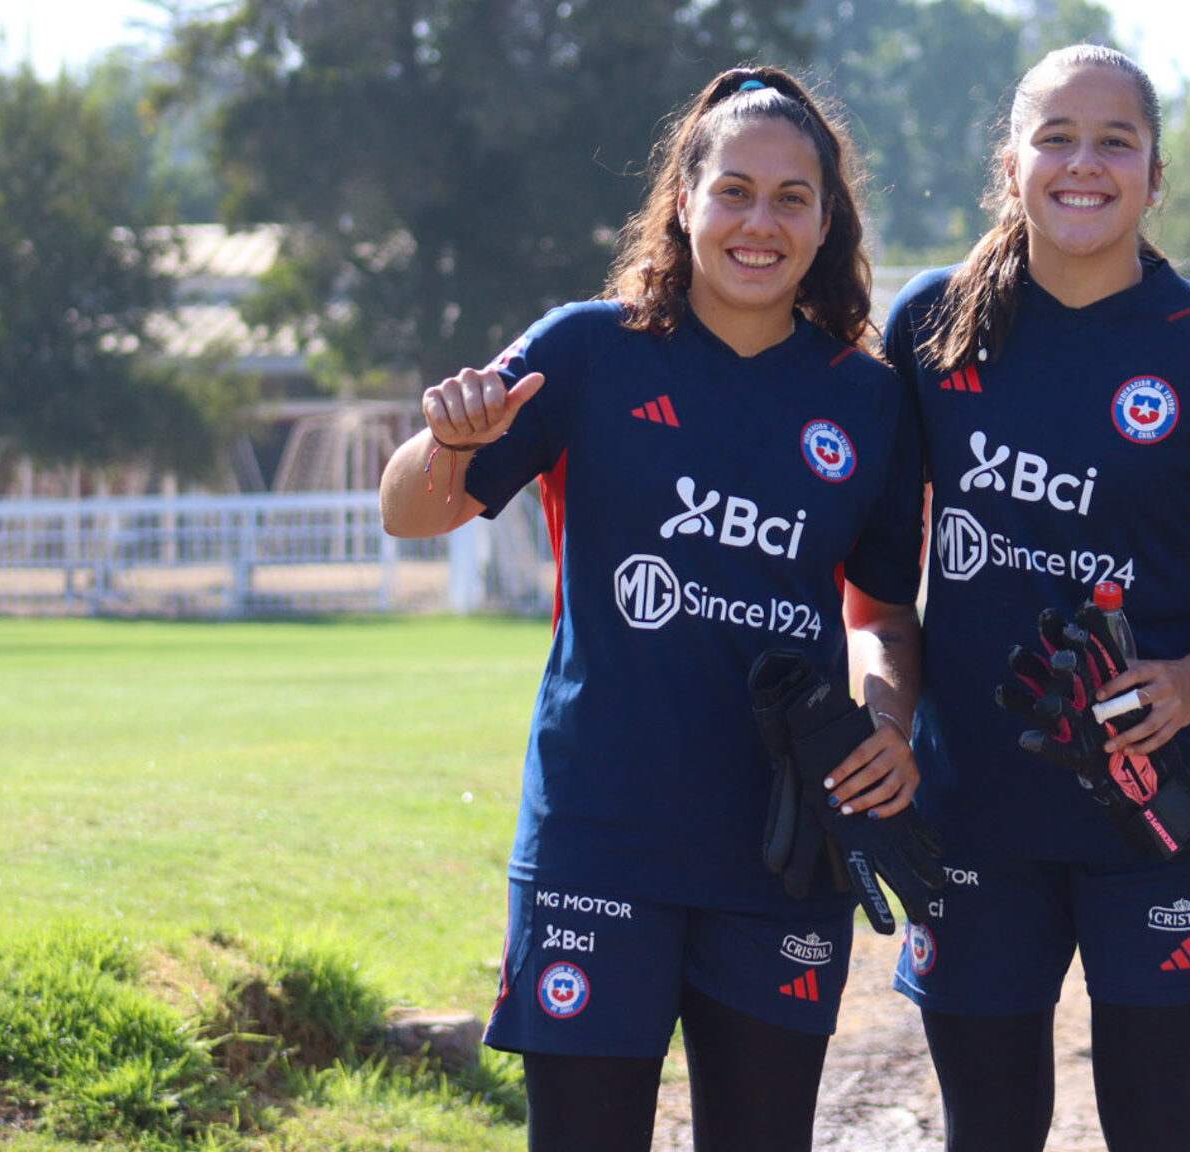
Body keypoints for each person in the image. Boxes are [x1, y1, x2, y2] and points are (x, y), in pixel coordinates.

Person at [377, 66, 925, 1152]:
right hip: (599, 836)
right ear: (684, 198)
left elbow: (883, 615)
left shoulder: (863, 398)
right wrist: (448, 440)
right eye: (734, 190)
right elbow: (409, 514)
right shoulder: (588, 348)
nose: (758, 222)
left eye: (790, 198)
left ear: (826, 222)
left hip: (778, 850)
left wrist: (893, 727)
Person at [881, 43, 1190, 1152]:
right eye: (1055, 137)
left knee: (1160, 1133)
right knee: (987, 1132)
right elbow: (866, 566)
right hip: (971, 806)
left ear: (1155, 175)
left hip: (1151, 811)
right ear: (1010, 161)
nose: (1084, 163)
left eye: (1114, 141)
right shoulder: (929, 326)